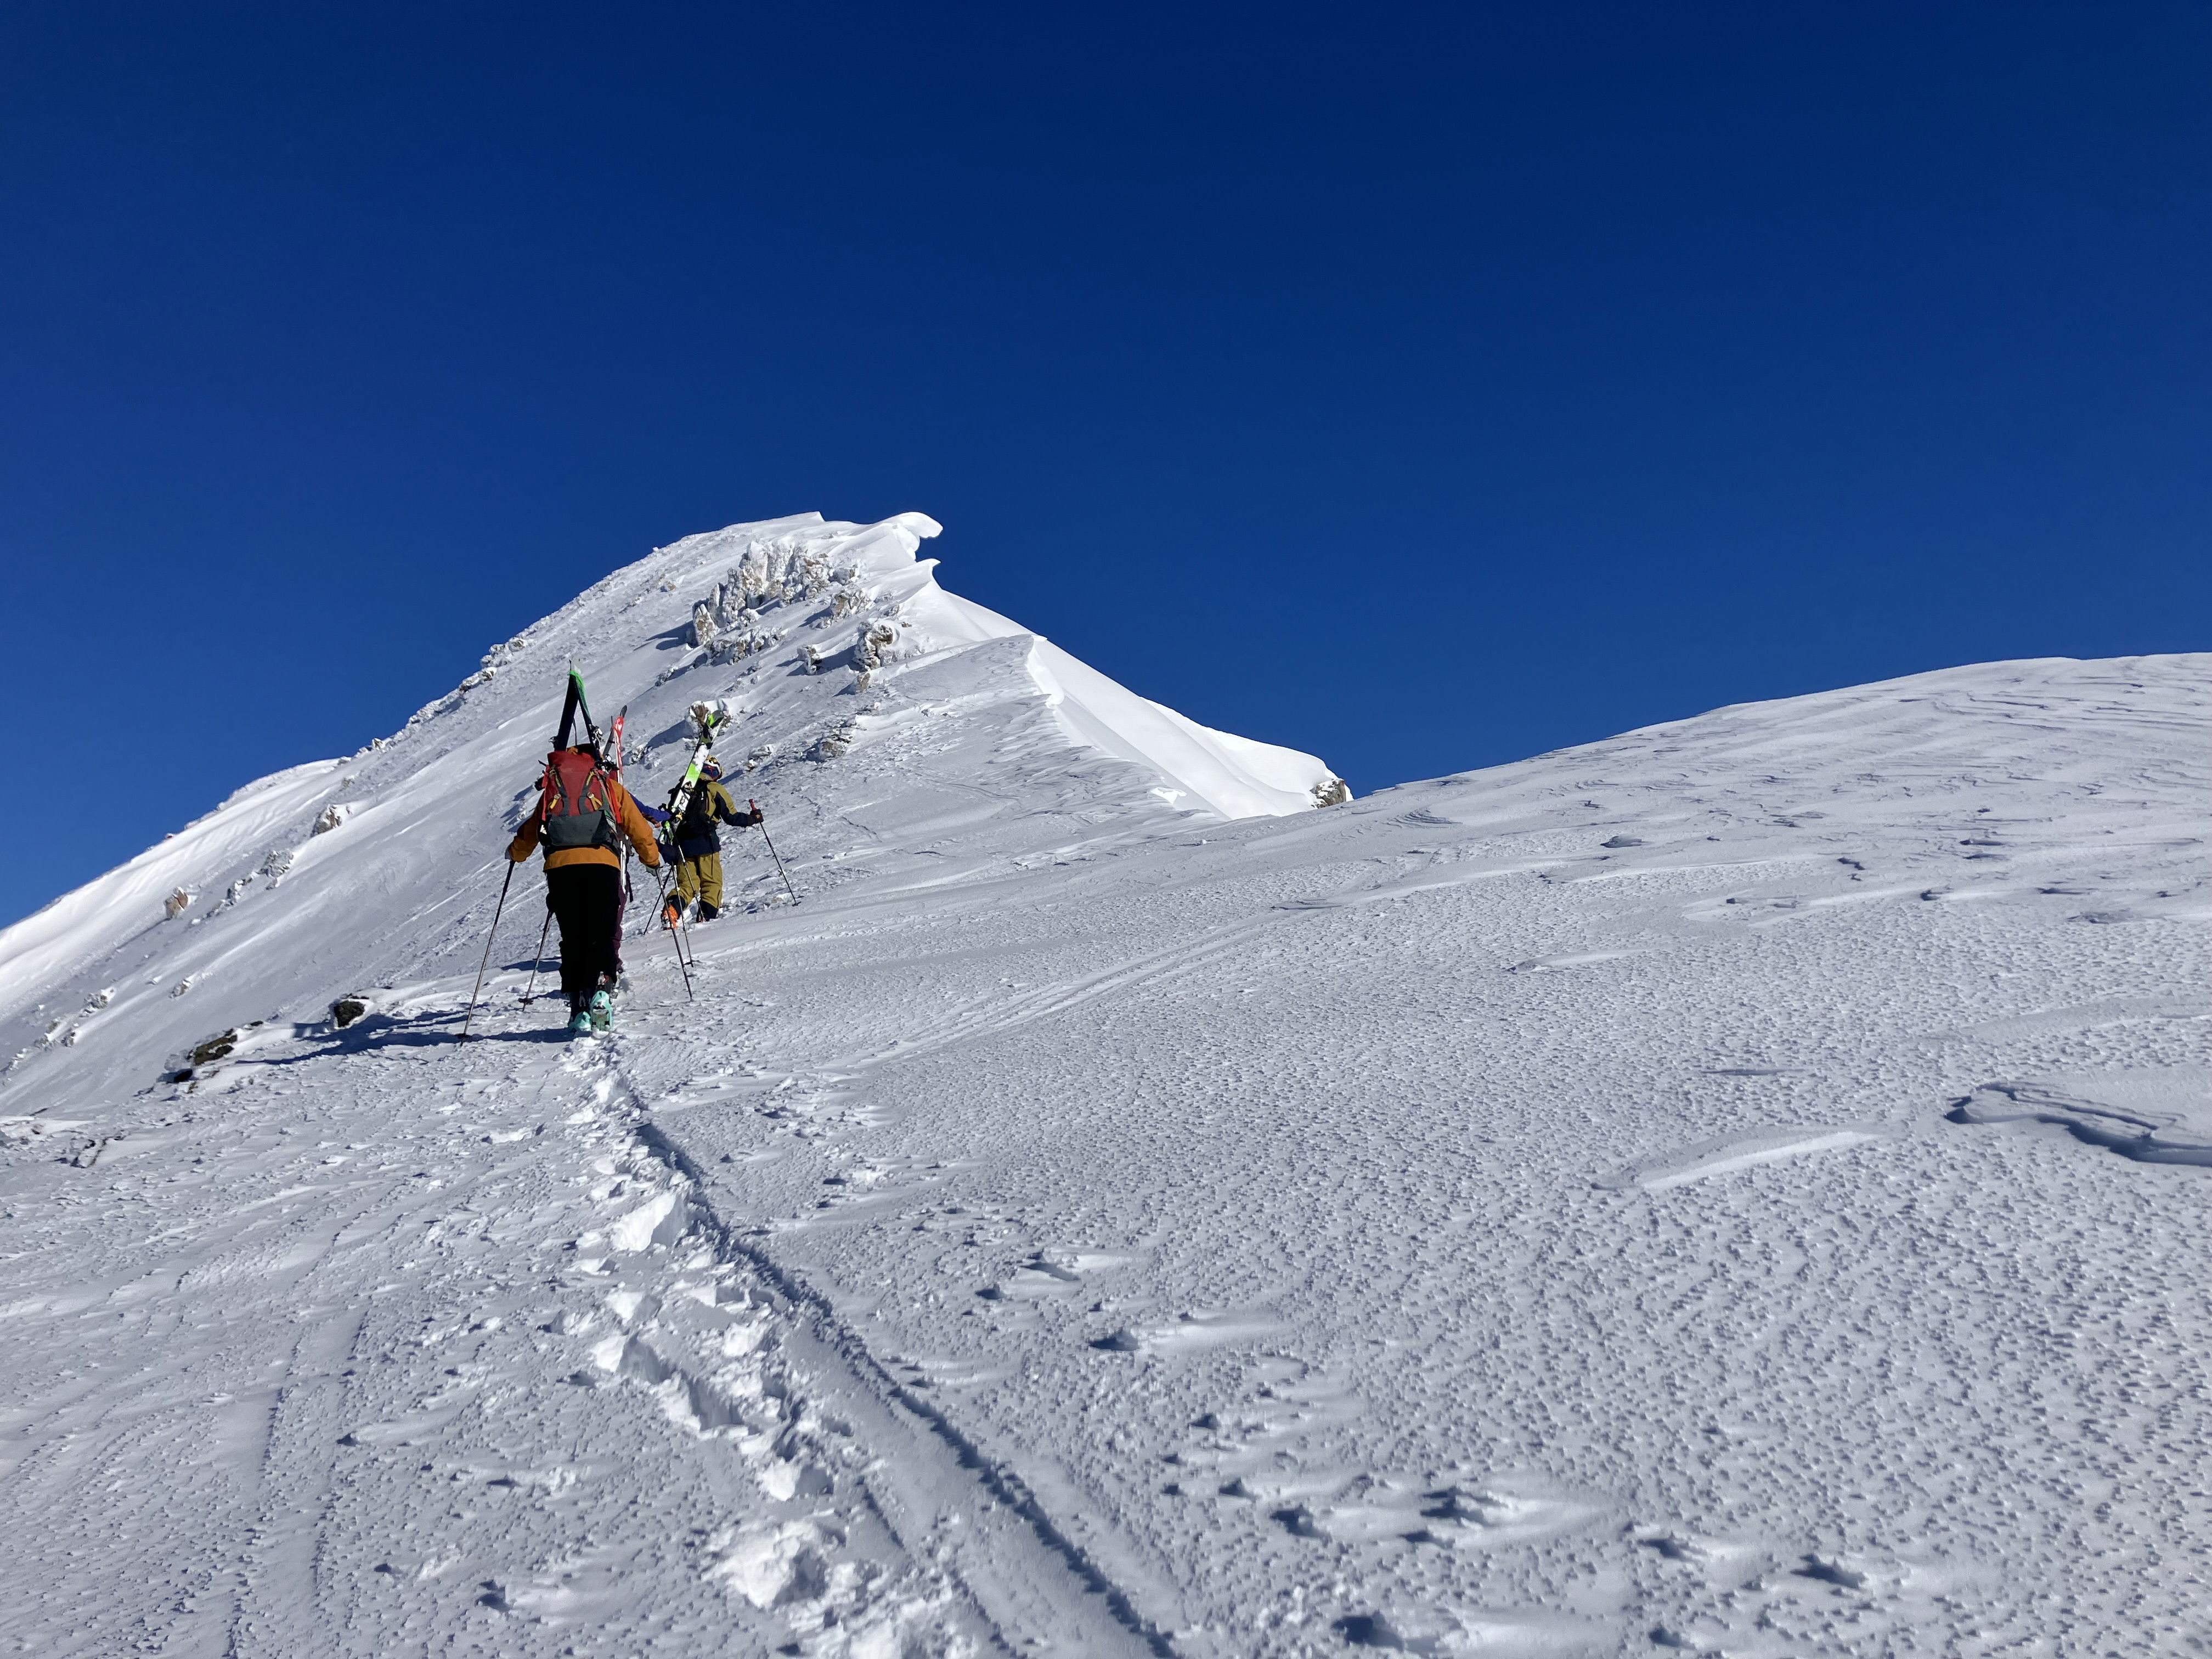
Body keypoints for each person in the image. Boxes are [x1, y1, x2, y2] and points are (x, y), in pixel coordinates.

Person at [507, 743, 663, 1035]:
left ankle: (578, 1003)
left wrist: (516, 853)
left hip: (561, 868)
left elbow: (533, 828)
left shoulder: (555, 789)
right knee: (601, 930)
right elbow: (637, 827)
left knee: (573, 935)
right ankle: (603, 984)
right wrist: (652, 860)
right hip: (602, 865)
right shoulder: (608, 787)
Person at [664, 757, 760, 924]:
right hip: (706, 843)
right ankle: (706, 918)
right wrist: (754, 818)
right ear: (713, 773)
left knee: (686, 885)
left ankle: (672, 910)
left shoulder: (681, 790)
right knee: (712, 882)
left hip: (682, 845)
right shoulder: (714, 788)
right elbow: (731, 817)